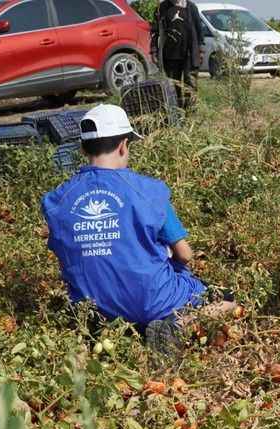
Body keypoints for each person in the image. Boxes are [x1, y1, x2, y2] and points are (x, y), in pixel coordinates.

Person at [41, 105, 233, 350]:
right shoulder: (147, 192)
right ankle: (177, 325)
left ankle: (115, 331)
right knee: (225, 299)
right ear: (123, 145)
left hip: (91, 308)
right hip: (152, 300)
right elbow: (185, 254)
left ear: (82, 148)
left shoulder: (57, 200)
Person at [151, 0, 204, 108]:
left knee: (190, 85)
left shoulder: (191, 7)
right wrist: (154, 51)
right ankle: (177, 115)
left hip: (190, 54)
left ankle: (191, 116)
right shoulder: (162, 8)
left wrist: (200, 50)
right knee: (173, 87)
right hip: (170, 55)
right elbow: (155, 32)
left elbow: (199, 30)